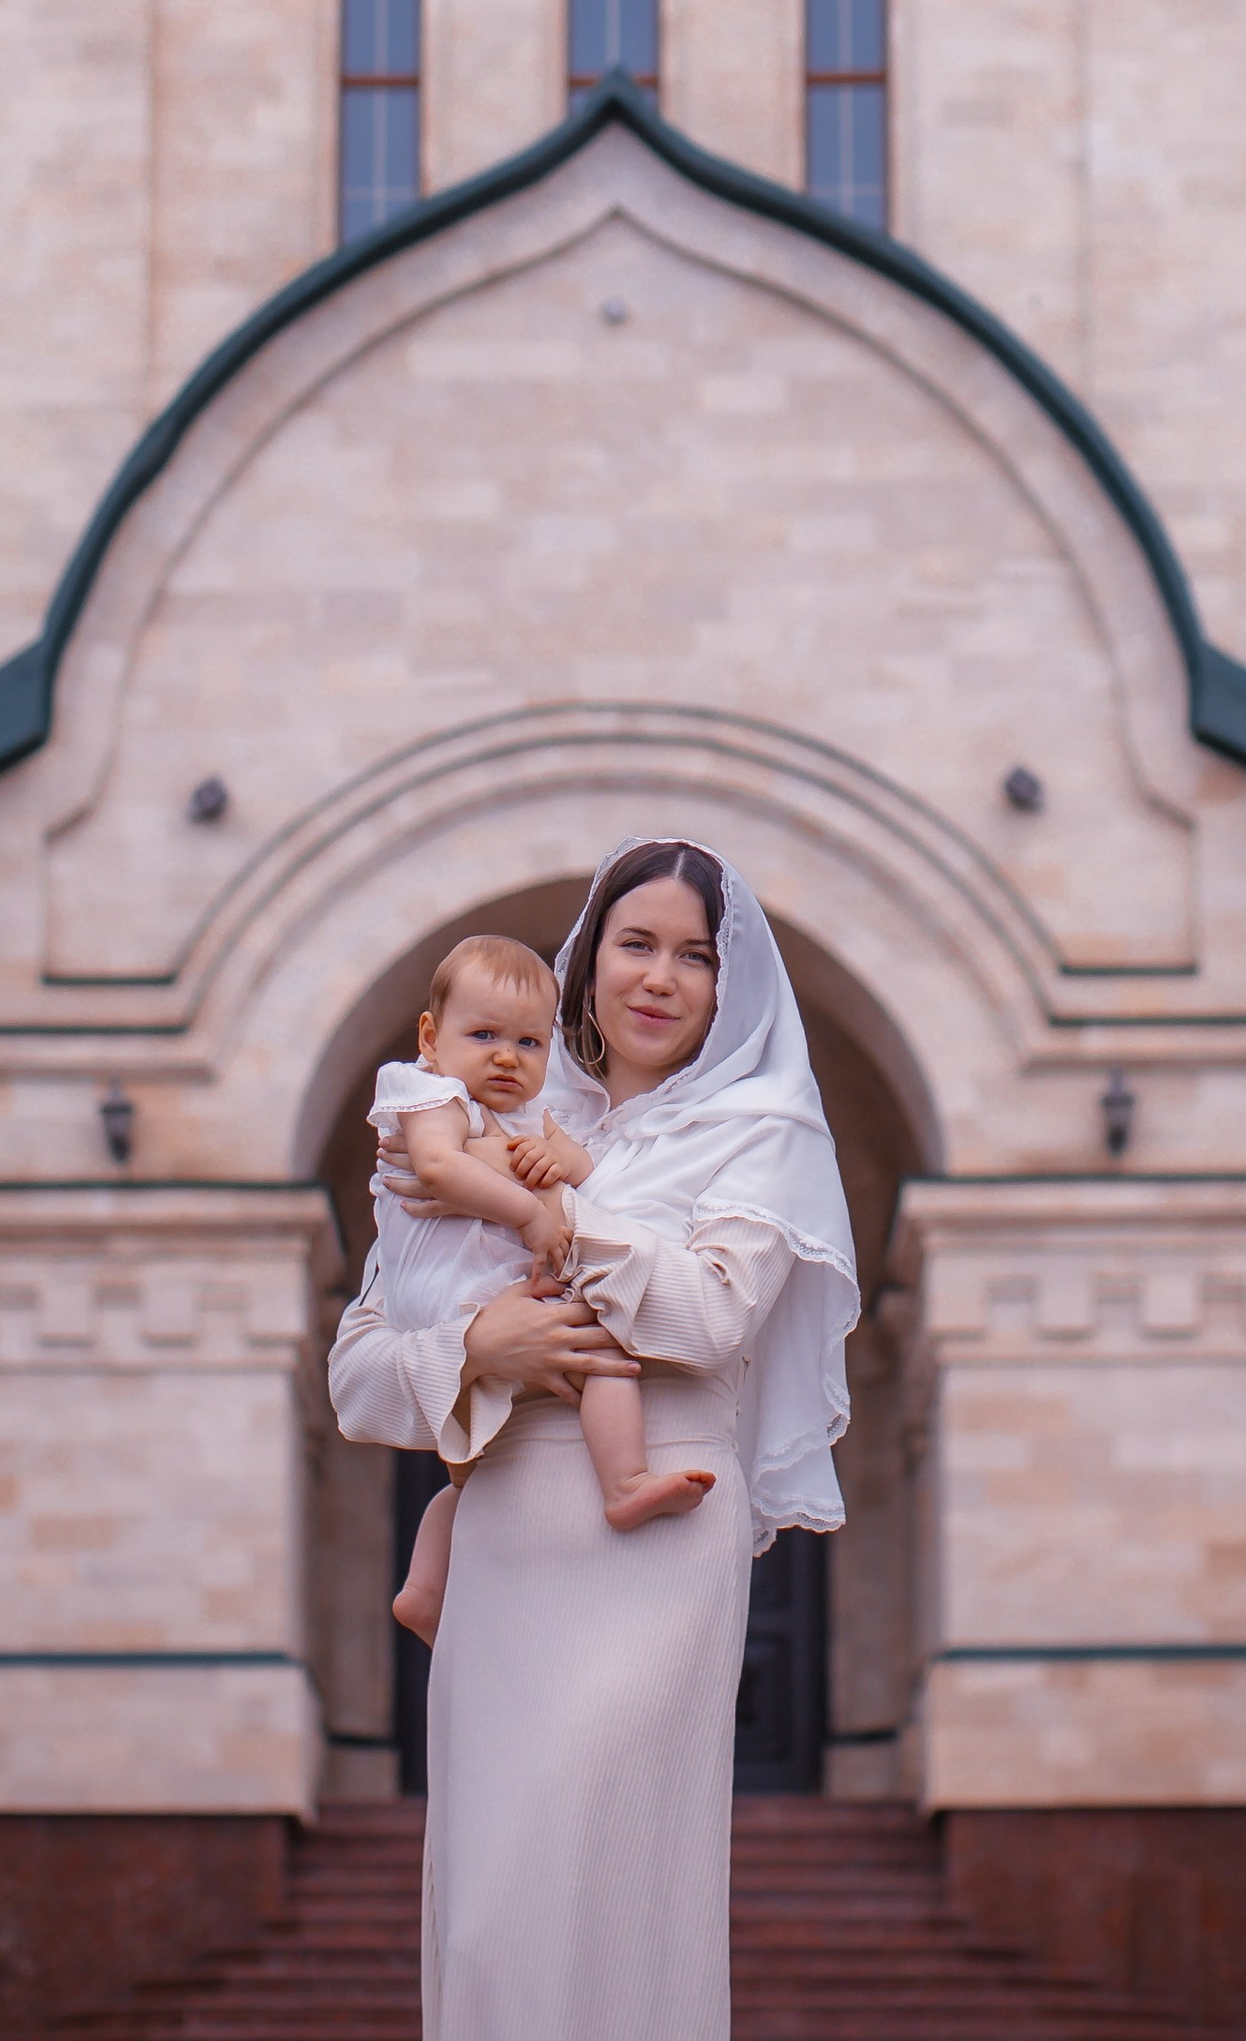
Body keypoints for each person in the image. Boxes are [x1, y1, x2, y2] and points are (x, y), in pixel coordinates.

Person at [329, 837, 860, 2041]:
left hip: (656, 1540)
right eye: (635, 943)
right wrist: (477, 1354)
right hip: (504, 1547)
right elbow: (359, 1377)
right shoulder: (490, 1115)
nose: (660, 977)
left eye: (695, 955)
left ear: (732, 986)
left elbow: (709, 1314)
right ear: (588, 961)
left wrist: (561, 1219)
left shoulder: (757, 1136)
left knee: (606, 1872)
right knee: (488, 1909)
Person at [371, 929, 715, 1646]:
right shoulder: (426, 1091)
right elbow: (436, 1168)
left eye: (529, 1044)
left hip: (456, 1299)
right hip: (453, 1296)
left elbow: (561, 1169)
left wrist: (561, 1159)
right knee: (602, 1342)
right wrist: (532, 1210)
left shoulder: (510, 1118)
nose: (506, 1056)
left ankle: (425, 1589)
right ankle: (624, 1482)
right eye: (485, 1034)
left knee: (464, 1480)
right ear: (431, 1038)